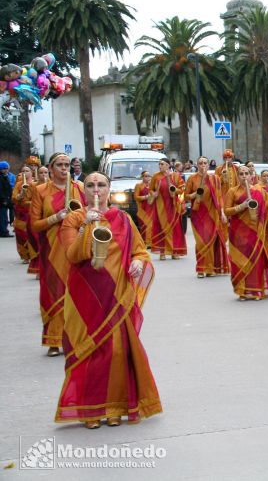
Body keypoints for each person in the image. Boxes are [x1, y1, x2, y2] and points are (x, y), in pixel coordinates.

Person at [56, 172, 161, 428]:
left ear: (109, 189)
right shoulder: (74, 218)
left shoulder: (122, 218)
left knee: (115, 351)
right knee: (87, 351)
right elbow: (72, 255)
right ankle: (89, 410)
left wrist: (137, 261)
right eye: (90, 185)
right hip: (84, 298)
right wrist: (85, 228)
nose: (96, 189)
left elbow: (139, 250)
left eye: (101, 185)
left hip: (117, 297)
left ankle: (115, 406)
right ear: (84, 190)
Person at [30, 152, 86, 356]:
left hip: (76, 248)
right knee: (53, 292)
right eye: (60, 165)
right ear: (51, 168)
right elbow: (35, 225)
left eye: (67, 164)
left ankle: (77, 339)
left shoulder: (79, 188)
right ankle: (54, 340)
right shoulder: (41, 191)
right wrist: (56, 217)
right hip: (52, 252)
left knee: (77, 293)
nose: (64, 168)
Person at [224, 166, 268, 300]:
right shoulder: (232, 191)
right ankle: (242, 291)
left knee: (256, 260)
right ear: (237, 176)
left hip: (257, 231)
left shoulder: (260, 191)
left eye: (247, 173)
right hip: (238, 232)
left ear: (252, 176)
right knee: (239, 260)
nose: (244, 176)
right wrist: (242, 206)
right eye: (241, 174)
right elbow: (227, 211)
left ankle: (256, 290)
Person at [184, 157, 230, 278]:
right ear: (197, 165)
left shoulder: (215, 179)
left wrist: (222, 213)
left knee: (211, 240)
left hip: (213, 214)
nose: (203, 165)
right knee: (201, 241)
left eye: (205, 163)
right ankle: (200, 269)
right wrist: (196, 194)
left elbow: (219, 196)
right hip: (198, 214)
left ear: (208, 165)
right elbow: (186, 197)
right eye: (200, 163)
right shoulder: (192, 179)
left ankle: (210, 269)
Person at [149, 158, 186, 260]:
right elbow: (151, 189)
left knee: (174, 228)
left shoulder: (175, 175)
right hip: (160, 206)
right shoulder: (156, 176)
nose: (160, 166)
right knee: (161, 227)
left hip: (173, 205)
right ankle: (162, 252)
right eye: (159, 164)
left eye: (162, 164)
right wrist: (154, 193)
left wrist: (175, 190)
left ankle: (175, 251)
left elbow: (182, 189)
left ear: (168, 165)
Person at [12, 166, 34, 262]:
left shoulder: (35, 184)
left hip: (32, 212)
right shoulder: (18, 184)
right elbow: (13, 197)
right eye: (23, 171)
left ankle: (33, 254)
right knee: (21, 234)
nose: (25, 173)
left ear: (31, 172)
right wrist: (20, 195)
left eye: (27, 171)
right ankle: (25, 255)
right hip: (20, 213)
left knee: (31, 234)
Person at [133, 171, 154, 247]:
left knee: (151, 225)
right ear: (142, 177)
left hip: (151, 208)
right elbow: (136, 197)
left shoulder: (152, 186)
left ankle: (150, 242)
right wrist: (145, 197)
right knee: (144, 225)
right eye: (145, 176)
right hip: (142, 209)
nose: (147, 177)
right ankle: (144, 242)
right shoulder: (138, 185)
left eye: (149, 176)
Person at [0, 161, 12, 237]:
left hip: (6, 199)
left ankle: (3, 230)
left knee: (4, 216)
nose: (6, 170)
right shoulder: (1, 177)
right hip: (2, 200)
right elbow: (0, 190)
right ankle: (4, 232)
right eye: (4, 168)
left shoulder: (5, 176)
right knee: (3, 217)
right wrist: (3, 199)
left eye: (7, 168)